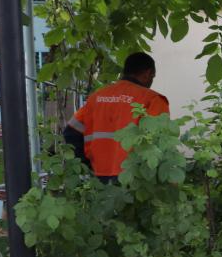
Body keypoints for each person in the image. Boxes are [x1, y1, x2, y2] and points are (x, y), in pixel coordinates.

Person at [63, 52, 169, 182]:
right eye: (153, 76)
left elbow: (71, 132)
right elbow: (161, 142)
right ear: (148, 73)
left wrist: (86, 165)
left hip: (98, 175)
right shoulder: (153, 100)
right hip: (135, 176)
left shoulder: (97, 97)